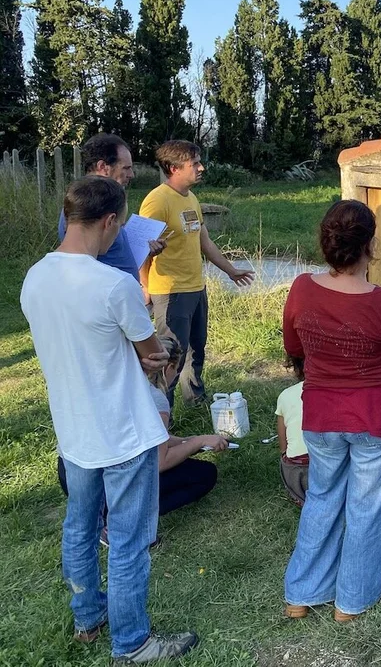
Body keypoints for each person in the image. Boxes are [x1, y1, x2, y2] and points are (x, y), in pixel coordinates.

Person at [20, 177, 197, 662]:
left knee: (79, 526)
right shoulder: (115, 285)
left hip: (73, 429)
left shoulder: (34, 277)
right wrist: (154, 352)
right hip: (123, 432)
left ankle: (88, 618)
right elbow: (153, 355)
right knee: (128, 541)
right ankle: (133, 641)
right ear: (111, 221)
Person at [282, 199, 381, 622]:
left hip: (321, 413)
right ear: (370, 246)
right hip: (375, 416)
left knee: (322, 497)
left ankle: (302, 593)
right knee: (366, 506)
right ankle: (353, 600)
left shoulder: (302, 288)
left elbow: (293, 346)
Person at [55, 335, 227, 527]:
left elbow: (147, 437)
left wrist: (188, 440)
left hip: (71, 476)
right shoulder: (155, 399)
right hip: (108, 486)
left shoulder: (109, 384)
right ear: (168, 368)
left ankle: (104, 512)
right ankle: (122, 517)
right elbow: (161, 461)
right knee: (205, 473)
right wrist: (197, 442)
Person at [139, 140, 254, 408]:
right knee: (171, 356)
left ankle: (195, 401)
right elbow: (142, 248)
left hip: (195, 288)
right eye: (194, 163)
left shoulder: (190, 198)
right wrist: (145, 286)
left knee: (195, 351)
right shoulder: (157, 200)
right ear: (174, 168)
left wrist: (231, 271)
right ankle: (162, 414)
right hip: (170, 291)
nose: (201, 168)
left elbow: (205, 242)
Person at [57, 133, 165, 281]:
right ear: (103, 167)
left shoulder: (105, 203)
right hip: (107, 292)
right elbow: (80, 260)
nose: (131, 175)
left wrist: (143, 250)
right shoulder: (84, 207)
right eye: (126, 168)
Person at [276, 355, 309, 507]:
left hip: (297, 468)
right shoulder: (334, 391)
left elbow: (282, 439)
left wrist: (284, 453)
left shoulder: (285, 395)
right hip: (326, 462)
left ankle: (298, 496)